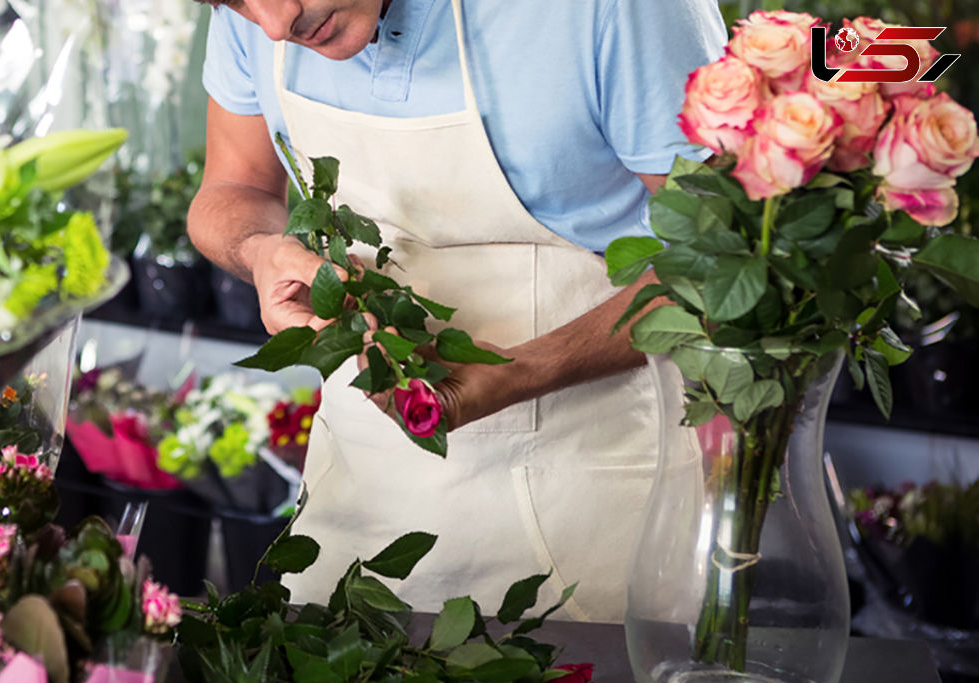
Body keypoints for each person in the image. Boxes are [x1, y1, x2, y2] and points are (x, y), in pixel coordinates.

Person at [186, 0, 727, 622]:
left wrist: (527, 368)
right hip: (358, 502)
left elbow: (723, 259)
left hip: (591, 491)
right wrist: (260, 252)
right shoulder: (261, 16)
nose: (277, 24)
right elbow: (234, 187)